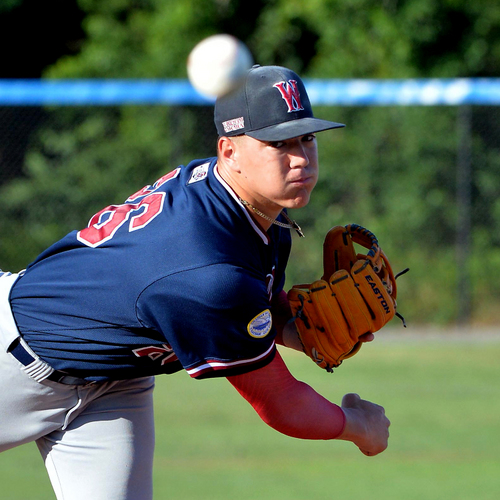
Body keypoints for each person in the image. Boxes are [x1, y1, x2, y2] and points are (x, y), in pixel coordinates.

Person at [0, 65, 390, 500]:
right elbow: (281, 403)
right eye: (278, 143)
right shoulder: (206, 270)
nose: (300, 157)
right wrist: (359, 428)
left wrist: (299, 329)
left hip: (115, 378)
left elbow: (252, 300)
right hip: (15, 359)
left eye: (307, 138)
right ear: (229, 151)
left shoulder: (251, 207)